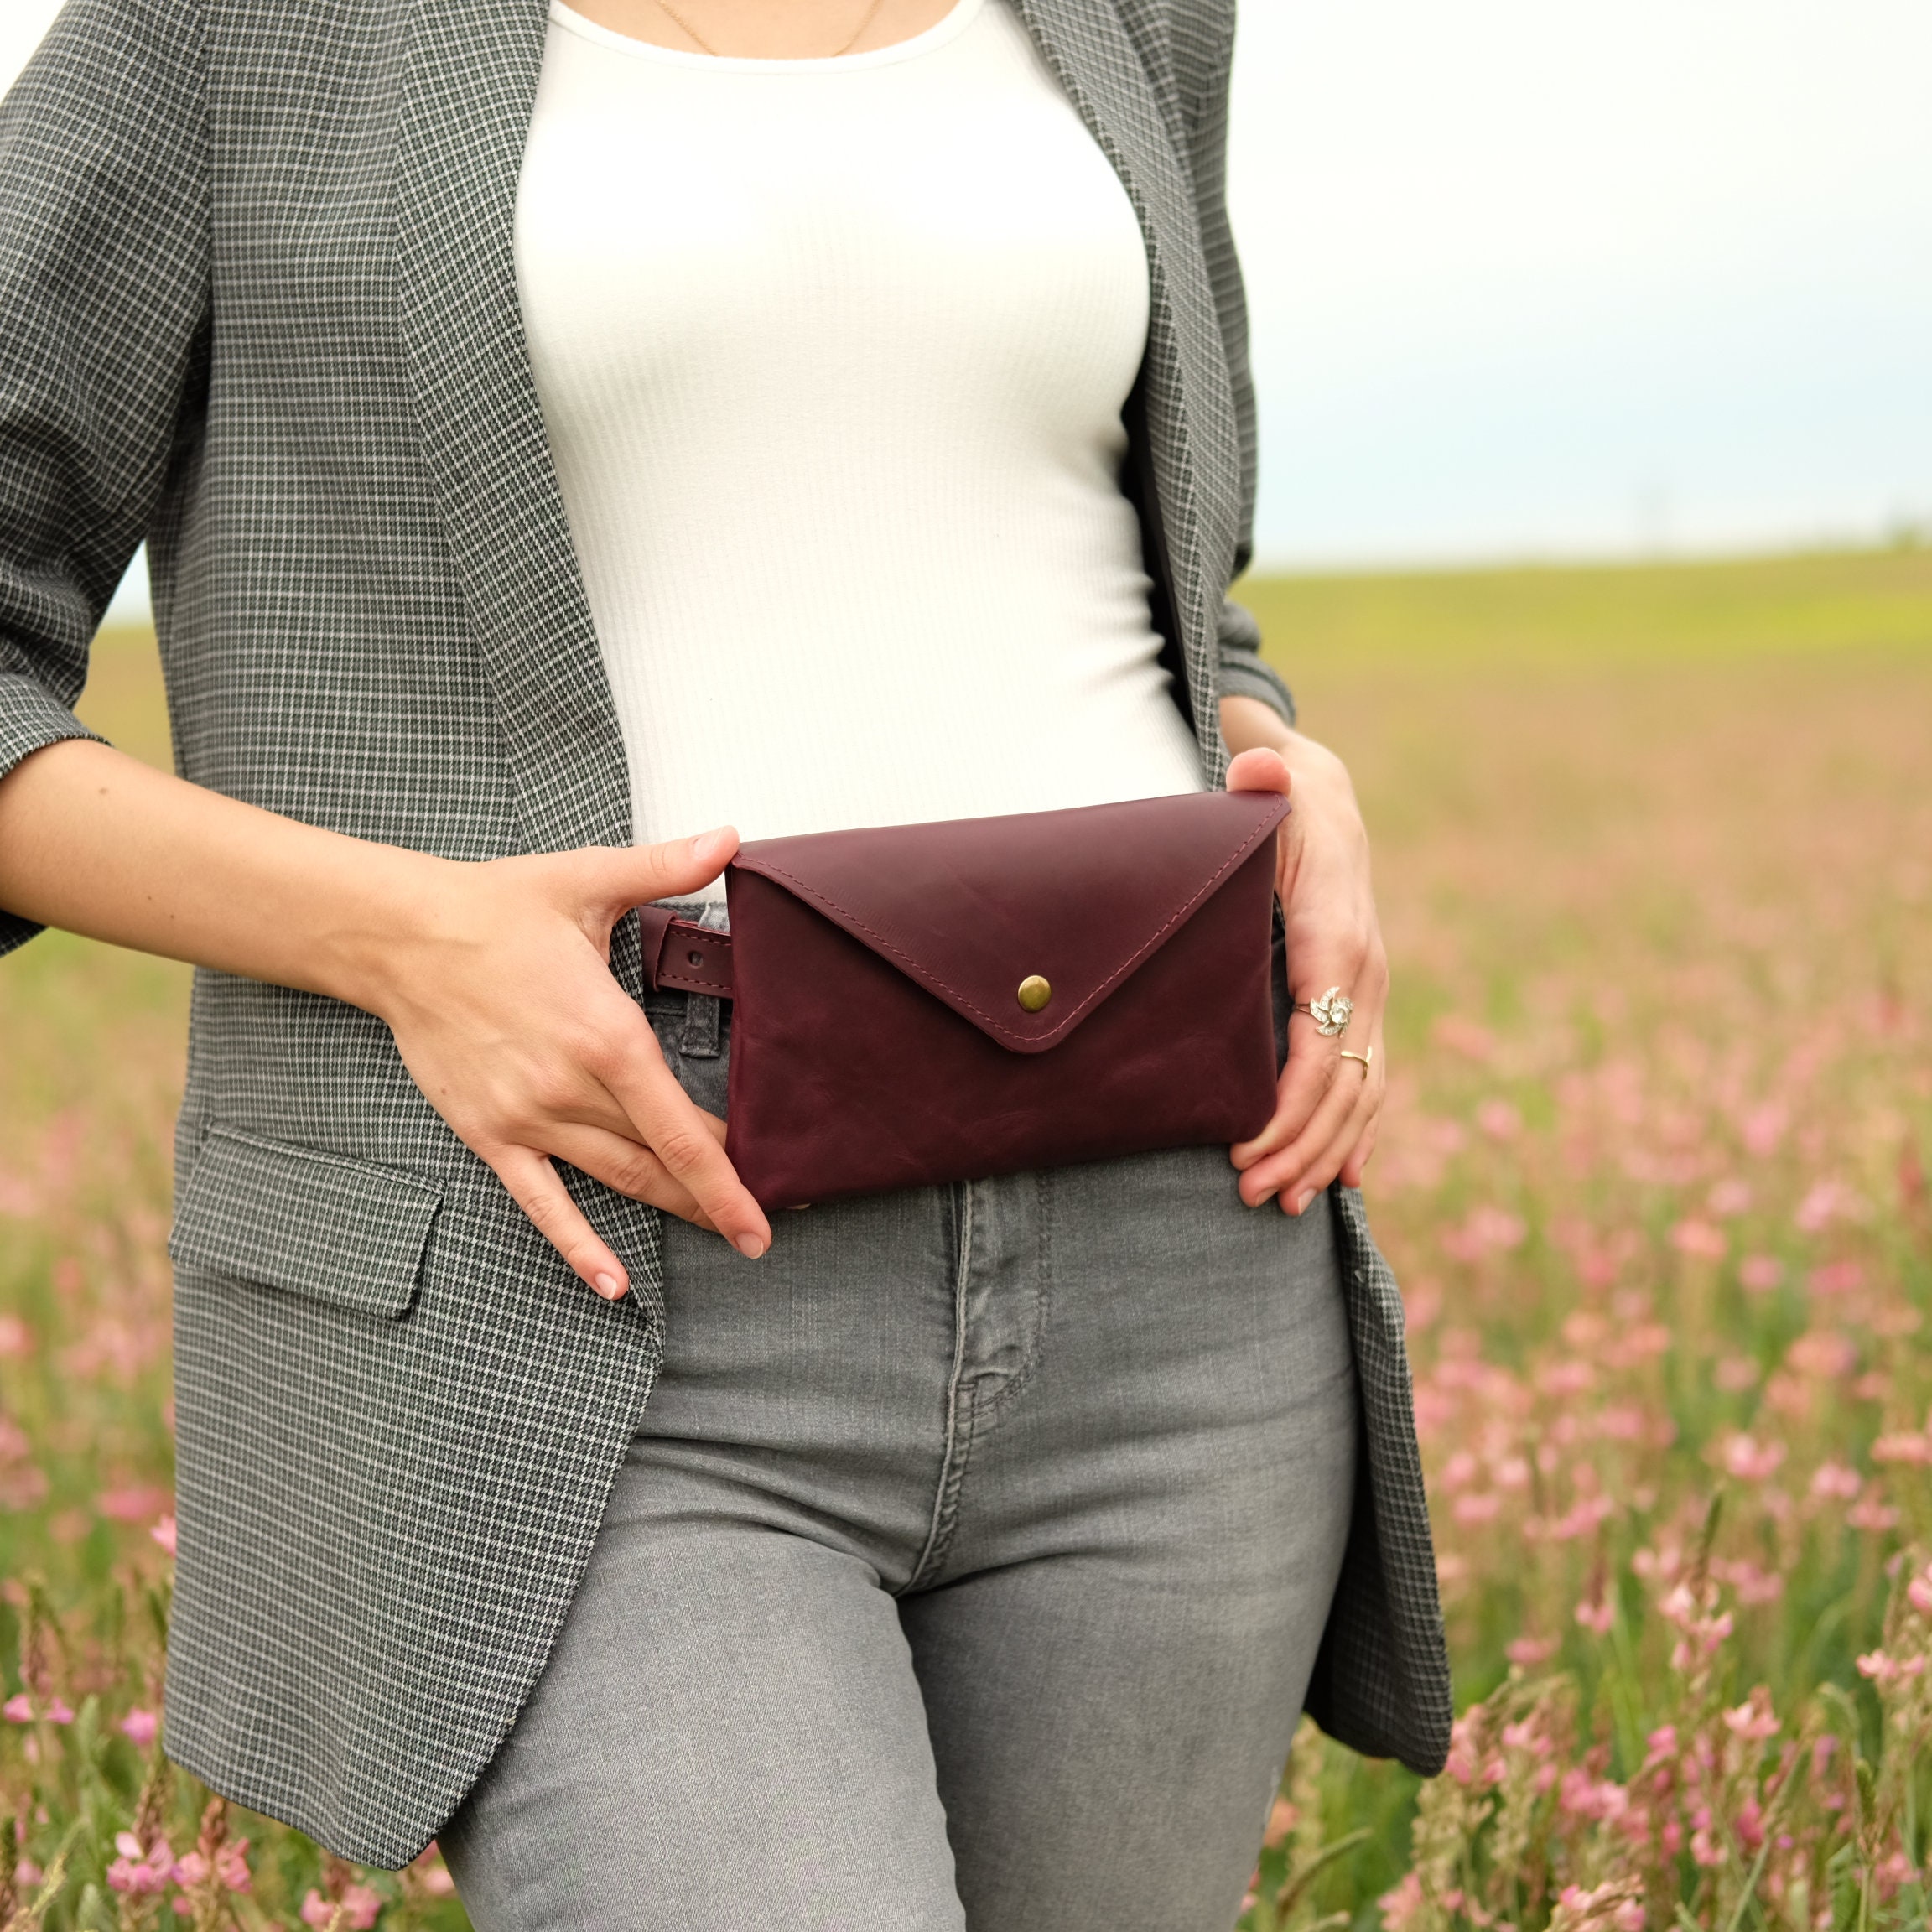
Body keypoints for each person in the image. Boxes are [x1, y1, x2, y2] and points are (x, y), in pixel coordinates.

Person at [0, 0, 1449, 1919]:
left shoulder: (1143, 13)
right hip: (587, 1265)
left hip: (1180, 1263)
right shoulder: (230, 29)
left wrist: (1283, 756)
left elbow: (1160, 564)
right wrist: (411, 940)